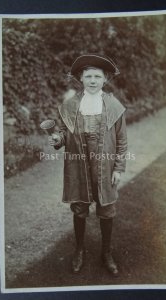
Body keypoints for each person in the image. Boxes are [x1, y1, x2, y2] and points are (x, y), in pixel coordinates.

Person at [49, 54, 127, 276]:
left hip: (105, 164)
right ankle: (79, 250)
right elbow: (64, 134)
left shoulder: (114, 106)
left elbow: (121, 141)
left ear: (105, 80)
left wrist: (119, 168)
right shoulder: (70, 105)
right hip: (78, 164)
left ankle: (106, 252)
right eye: (88, 76)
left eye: (97, 76)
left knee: (107, 208)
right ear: (80, 79)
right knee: (80, 206)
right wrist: (58, 139)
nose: (93, 80)